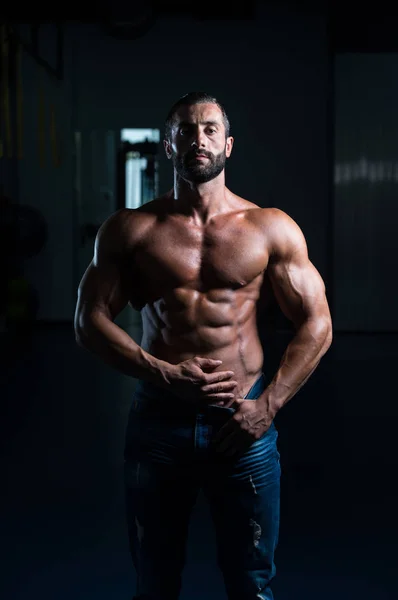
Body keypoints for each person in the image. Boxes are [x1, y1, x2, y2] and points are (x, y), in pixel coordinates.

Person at [74, 91, 333, 600]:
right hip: (159, 422)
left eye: (210, 129)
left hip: (243, 421)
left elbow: (317, 322)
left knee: (252, 584)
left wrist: (268, 406)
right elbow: (88, 321)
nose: (199, 138)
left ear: (229, 145)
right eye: (186, 130)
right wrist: (161, 371)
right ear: (169, 146)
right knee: (155, 581)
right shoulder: (131, 230)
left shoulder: (269, 228)